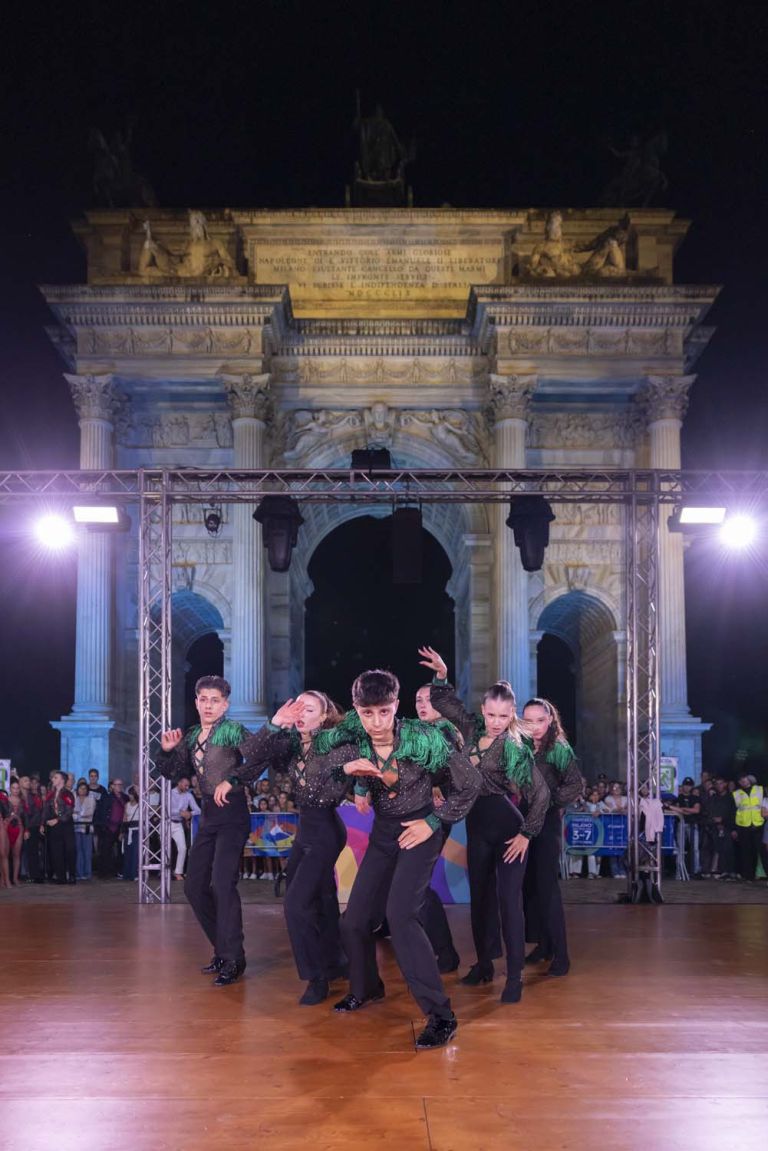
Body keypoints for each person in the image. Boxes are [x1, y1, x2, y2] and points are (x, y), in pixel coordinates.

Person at [324, 668, 481, 1050]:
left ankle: (441, 1016)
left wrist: (433, 822)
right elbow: (317, 773)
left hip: (420, 830)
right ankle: (367, 987)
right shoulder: (352, 736)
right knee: (354, 920)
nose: (376, 722)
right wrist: (352, 776)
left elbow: (470, 784)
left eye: (384, 712)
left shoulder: (424, 737)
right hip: (383, 835)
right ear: (357, 710)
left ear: (396, 704)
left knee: (401, 916)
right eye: (367, 713)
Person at [218, 691, 367, 1006]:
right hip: (306, 830)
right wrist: (274, 725)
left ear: (324, 716)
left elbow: (333, 787)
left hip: (326, 830)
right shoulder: (290, 744)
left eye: (309, 709)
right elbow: (251, 754)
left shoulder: (338, 746)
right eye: (297, 707)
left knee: (295, 904)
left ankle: (316, 977)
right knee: (323, 898)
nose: (301, 713)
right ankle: (336, 961)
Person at [419, 646, 550, 1005]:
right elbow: (443, 702)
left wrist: (526, 834)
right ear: (482, 710)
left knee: (509, 903)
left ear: (511, 714)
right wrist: (441, 675)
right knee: (480, 900)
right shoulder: (469, 727)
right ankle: (484, 965)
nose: (495, 721)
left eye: (503, 716)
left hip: (508, 829)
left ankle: (515, 977)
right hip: (476, 828)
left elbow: (540, 794)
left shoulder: (514, 747)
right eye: (491, 714)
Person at [156, 675, 274, 986]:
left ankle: (234, 958)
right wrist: (167, 751)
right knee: (194, 887)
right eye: (204, 699)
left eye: (215, 700)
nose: (209, 705)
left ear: (225, 705)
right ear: (196, 702)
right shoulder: (192, 735)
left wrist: (232, 780)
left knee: (222, 885)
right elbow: (173, 772)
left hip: (233, 813)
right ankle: (222, 950)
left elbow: (260, 757)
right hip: (208, 814)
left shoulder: (232, 729)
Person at [521, 698, 582, 976]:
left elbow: (575, 785)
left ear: (550, 720)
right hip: (523, 822)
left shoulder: (558, 748)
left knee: (547, 888)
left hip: (546, 824)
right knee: (530, 887)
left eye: (540, 720)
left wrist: (549, 801)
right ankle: (543, 944)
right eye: (529, 720)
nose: (534, 726)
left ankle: (561, 955)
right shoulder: (520, 746)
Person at [43, 771, 76, 884]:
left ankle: (72, 875)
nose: (53, 779)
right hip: (53, 826)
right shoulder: (50, 794)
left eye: (55, 777)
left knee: (69, 850)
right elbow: (46, 810)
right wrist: (43, 823)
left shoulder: (67, 794)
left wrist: (57, 819)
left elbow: (68, 811)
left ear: (62, 780)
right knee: (56, 851)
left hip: (65, 825)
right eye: (53, 778)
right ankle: (61, 877)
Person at [732, 773, 765, 880]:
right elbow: (733, 812)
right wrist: (735, 828)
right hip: (743, 825)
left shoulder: (760, 790)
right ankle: (748, 876)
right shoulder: (736, 793)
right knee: (746, 852)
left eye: (744, 779)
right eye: (740, 780)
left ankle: (761, 874)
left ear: (749, 779)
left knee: (761, 851)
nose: (743, 781)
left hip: (758, 824)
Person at [170, 777, 200, 880]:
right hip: (167, 822)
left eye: (188, 786)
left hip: (178, 824)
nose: (187, 787)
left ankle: (178, 872)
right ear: (179, 783)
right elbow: (166, 809)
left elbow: (198, 810)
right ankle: (165, 871)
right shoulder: (170, 793)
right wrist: (180, 812)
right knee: (165, 848)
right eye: (185, 785)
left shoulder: (188, 795)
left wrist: (189, 813)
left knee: (183, 848)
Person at [22, 776, 45, 883]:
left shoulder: (41, 796)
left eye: (36, 783)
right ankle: (33, 875)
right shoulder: (28, 796)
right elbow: (26, 814)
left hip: (41, 825)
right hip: (31, 826)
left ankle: (42, 873)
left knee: (42, 851)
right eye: (32, 782)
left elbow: (45, 811)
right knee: (32, 851)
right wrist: (27, 829)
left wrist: (42, 823)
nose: (34, 785)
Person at [3, 780, 26, 886]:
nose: (16, 790)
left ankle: (15, 878)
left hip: (19, 829)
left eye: (17, 788)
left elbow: (26, 817)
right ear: (10, 789)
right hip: (6, 829)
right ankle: (4, 879)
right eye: (13, 788)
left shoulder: (23, 802)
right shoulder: (5, 801)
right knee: (5, 855)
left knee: (16, 855)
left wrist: (26, 830)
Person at [73, 781, 97, 880]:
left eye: (84, 789)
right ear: (77, 790)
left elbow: (90, 813)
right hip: (76, 828)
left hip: (87, 827)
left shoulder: (91, 799)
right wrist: (79, 814)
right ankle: (79, 873)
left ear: (87, 790)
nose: (82, 790)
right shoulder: (74, 799)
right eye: (80, 788)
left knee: (87, 851)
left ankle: (88, 873)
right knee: (78, 851)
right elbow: (72, 813)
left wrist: (78, 814)